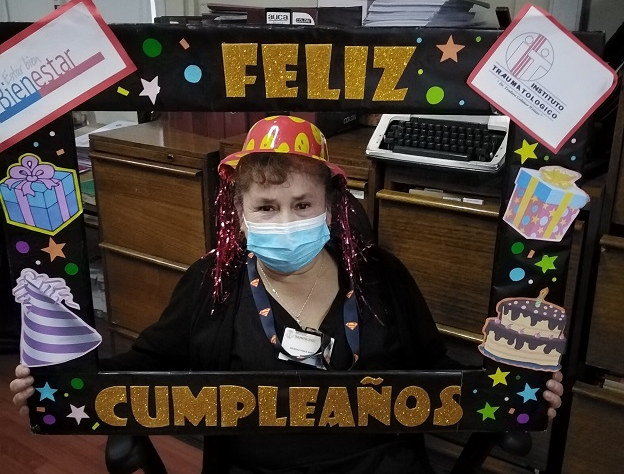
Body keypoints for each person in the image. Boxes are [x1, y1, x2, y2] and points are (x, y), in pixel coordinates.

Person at [10, 116, 564, 473]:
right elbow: (147, 364)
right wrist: (62, 382)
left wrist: (516, 391)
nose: (286, 221)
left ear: (331, 204)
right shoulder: (211, 283)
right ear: (239, 213)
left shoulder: (381, 276)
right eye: (266, 207)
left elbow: (434, 366)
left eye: (302, 205)